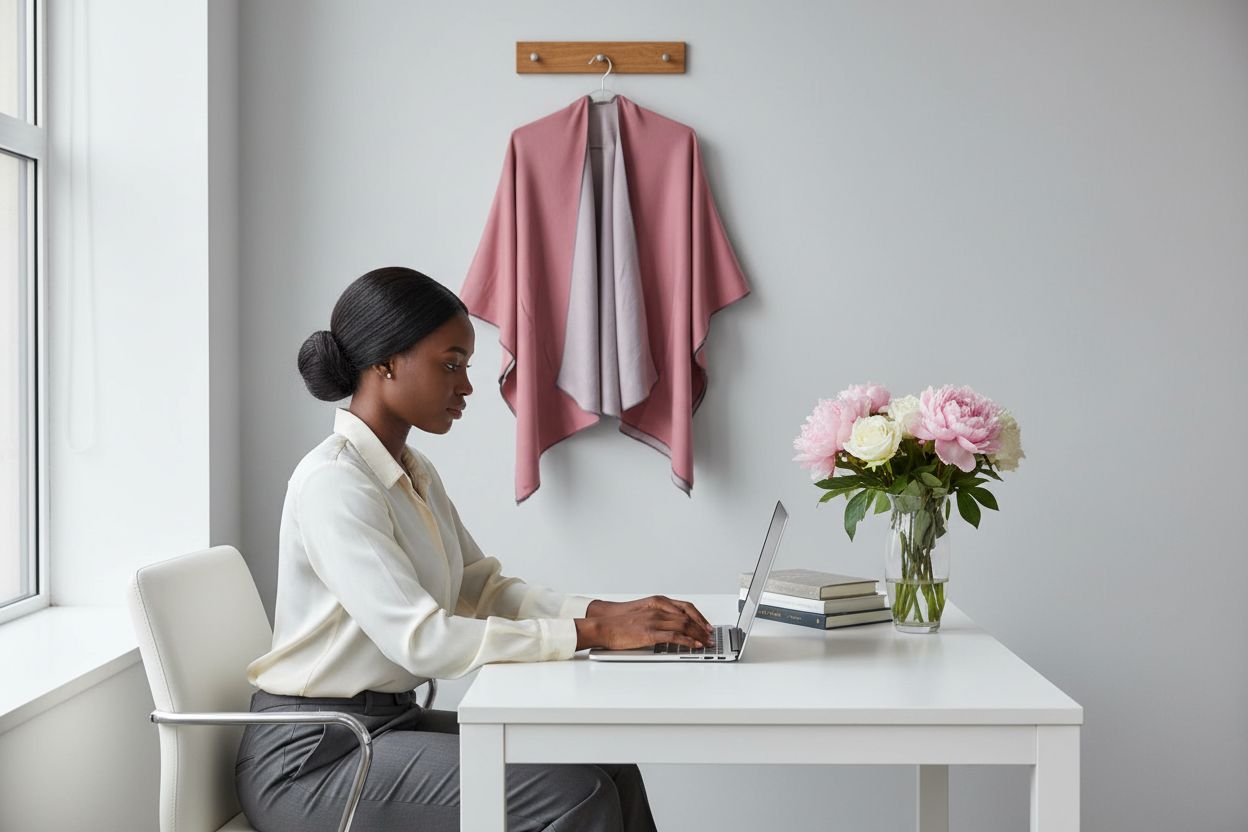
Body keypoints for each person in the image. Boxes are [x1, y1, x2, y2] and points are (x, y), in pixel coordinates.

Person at [235, 267, 713, 832]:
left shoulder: (411, 472)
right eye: (451, 363)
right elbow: (422, 640)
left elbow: (481, 589)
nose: (465, 386)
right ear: (385, 363)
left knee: (609, 766)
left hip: (386, 729)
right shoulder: (335, 483)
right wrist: (591, 635)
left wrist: (603, 613)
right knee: (575, 795)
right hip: (314, 762)